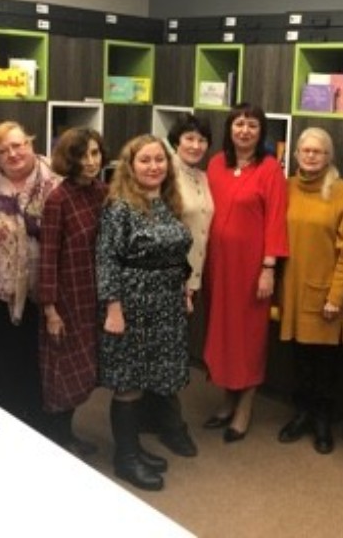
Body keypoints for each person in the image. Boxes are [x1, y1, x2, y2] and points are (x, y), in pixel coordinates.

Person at [96, 135, 193, 491]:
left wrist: (184, 289)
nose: (154, 167)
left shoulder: (166, 201)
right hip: (132, 305)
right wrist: (113, 308)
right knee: (128, 382)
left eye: (159, 160)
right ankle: (125, 459)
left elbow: (175, 253)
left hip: (165, 304)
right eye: (145, 160)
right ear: (130, 166)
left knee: (148, 377)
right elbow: (106, 259)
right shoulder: (119, 207)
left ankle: (134, 447)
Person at [203, 103, 288, 442]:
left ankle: (245, 406)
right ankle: (228, 397)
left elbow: (276, 220)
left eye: (252, 125)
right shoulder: (215, 164)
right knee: (222, 332)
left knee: (249, 336)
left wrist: (268, 268)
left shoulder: (270, 168)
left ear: (261, 131)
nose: (245, 130)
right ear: (229, 128)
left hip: (251, 267)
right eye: (239, 123)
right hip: (216, 264)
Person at [276, 128, 343, 455]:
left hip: (326, 295)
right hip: (292, 291)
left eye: (318, 151)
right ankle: (302, 415)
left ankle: (322, 421)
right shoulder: (286, 187)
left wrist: (336, 297)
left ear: (329, 156)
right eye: (306, 150)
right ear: (296, 154)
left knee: (325, 365)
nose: (311, 156)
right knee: (300, 361)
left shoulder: (342, 192)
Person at [139, 113, 214, 457]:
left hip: (191, 276)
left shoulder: (202, 176)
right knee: (168, 354)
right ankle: (172, 426)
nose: (196, 145)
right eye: (189, 139)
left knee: (163, 350)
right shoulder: (164, 175)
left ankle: (150, 416)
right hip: (168, 279)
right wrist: (180, 283)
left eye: (202, 140)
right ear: (176, 141)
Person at [0, 121, 61, 431]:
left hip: (45, 288)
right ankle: (0, 427)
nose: (12, 154)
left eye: (18, 145)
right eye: (3, 151)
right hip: (0, 290)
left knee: (39, 363)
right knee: (2, 363)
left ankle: (39, 429)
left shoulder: (55, 181)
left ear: (31, 144)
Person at [37, 127, 107, 458]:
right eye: (82, 155)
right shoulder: (58, 200)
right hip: (66, 298)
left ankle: (65, 434)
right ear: (69, 159)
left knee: (84, 368)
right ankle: (58, 439)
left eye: (95, 153)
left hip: (94, 295)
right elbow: (48, 257)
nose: (90, 161)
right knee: (63, 371)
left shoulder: (103, 193)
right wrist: (50, 309)